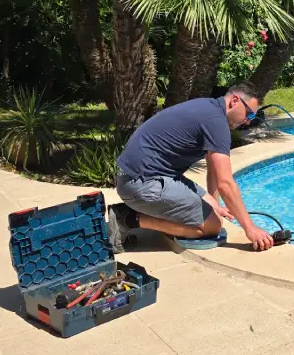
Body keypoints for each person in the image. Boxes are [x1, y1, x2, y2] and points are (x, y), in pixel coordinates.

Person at [108, 83, 274, 253]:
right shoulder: (216, 123)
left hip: (141, 175)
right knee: (213, 227)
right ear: (235, 101)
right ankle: (127, 218)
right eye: (249, 113)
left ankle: (136, 211)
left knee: (213, 210)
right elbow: (225, 183)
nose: (249, 120)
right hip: (141, 183)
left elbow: (214, 169)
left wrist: (214, 206)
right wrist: (250, 228)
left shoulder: (208, 108)